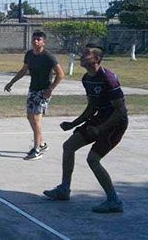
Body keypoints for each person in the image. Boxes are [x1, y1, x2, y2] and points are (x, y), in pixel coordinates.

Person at [43, 44, 128, 213]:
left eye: (86, 54)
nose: (82, 55)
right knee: (68, 146)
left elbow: (121, 111)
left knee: (93, 160)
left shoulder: (108, 79)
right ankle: (64, 190)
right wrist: (73, 124)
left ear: (96, 59)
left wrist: (101, 128)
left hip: (115, 124)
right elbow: (92, 107)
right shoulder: (86, 78)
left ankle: (114, 200)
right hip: (99, 119)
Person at [4, 30, 64, 160]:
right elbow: (23, 70)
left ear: (43, 42)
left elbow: (60, 74)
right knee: (29, 117)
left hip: (43, 91)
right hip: (33, 90)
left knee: (36, 120)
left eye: (38, 39)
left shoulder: (48, 56)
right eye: (34, 39)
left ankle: (36, 150)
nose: (35, 41)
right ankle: (42, 144)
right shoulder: (30, 54)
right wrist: (11, 82)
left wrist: (50, 89)